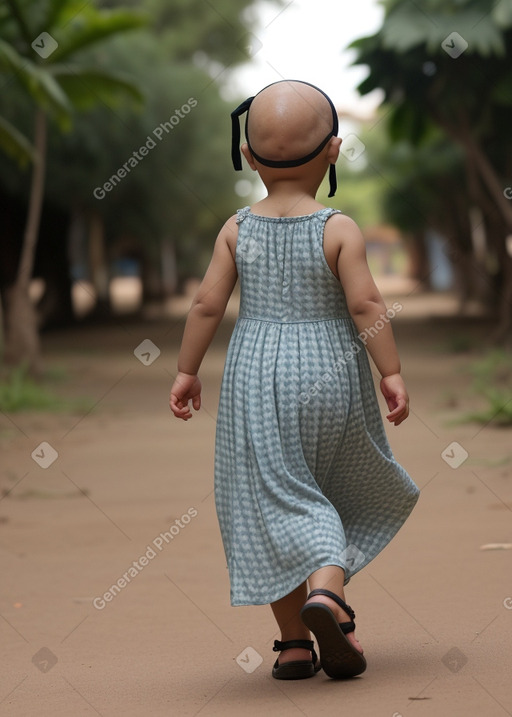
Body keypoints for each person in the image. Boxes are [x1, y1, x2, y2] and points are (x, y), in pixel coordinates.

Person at [169, 79, 420, 681]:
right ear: (334, 151)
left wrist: (185, 370)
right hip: (332, 370)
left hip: (255, 374)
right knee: (325, 487)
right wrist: (391, 371)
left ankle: (292, 643)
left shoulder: (237, 228)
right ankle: (328, 596)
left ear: (249, 157)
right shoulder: (339, 227)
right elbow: (365, 305)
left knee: (268, 499)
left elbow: (206, 304)